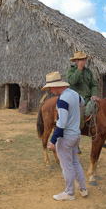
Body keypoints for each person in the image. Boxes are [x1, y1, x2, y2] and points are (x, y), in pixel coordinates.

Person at [43, 71, 88, 202]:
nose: (50, 91)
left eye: (50, 88)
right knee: (75, 162)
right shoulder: (75, 94)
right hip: (76, 135)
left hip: (67, 137)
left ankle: (69, 192)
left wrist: (53, 140)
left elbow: (61, 123)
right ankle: (83, 188)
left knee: (67, 166)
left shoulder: (62, 100)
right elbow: (83, 104)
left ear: (56, 86)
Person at [66, 50, 106, 148]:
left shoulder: (88, 72)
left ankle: (101, 138)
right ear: (76, 61)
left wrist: (94, 95)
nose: (83, 61)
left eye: (83, 59)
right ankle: (75, 143)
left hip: (88, 99)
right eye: (80, 59)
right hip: (76, 99)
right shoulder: (71, 70)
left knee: (100, 112)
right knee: (78, 116)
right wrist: (79, 69)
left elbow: (93, 85)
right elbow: (72, 81)